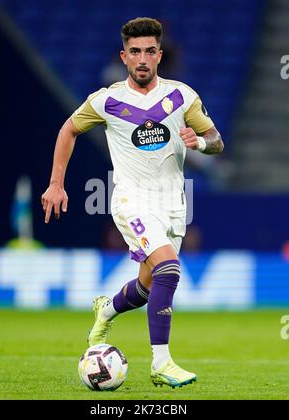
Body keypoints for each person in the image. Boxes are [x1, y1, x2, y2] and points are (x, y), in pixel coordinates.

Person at [41, 17, 224, 389]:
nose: (142, 58)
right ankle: (161, 362)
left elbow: (217, 140)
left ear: (159, 55)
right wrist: (56, 183)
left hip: (173, 205)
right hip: (131, 200)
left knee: (145, 287)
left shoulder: (181, 97)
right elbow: (68, 129)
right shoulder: (106, 100)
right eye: (135, 52)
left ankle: (106, 310)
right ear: (124, 56)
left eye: (149, 51)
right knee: (169, 270)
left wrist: (201, 143)